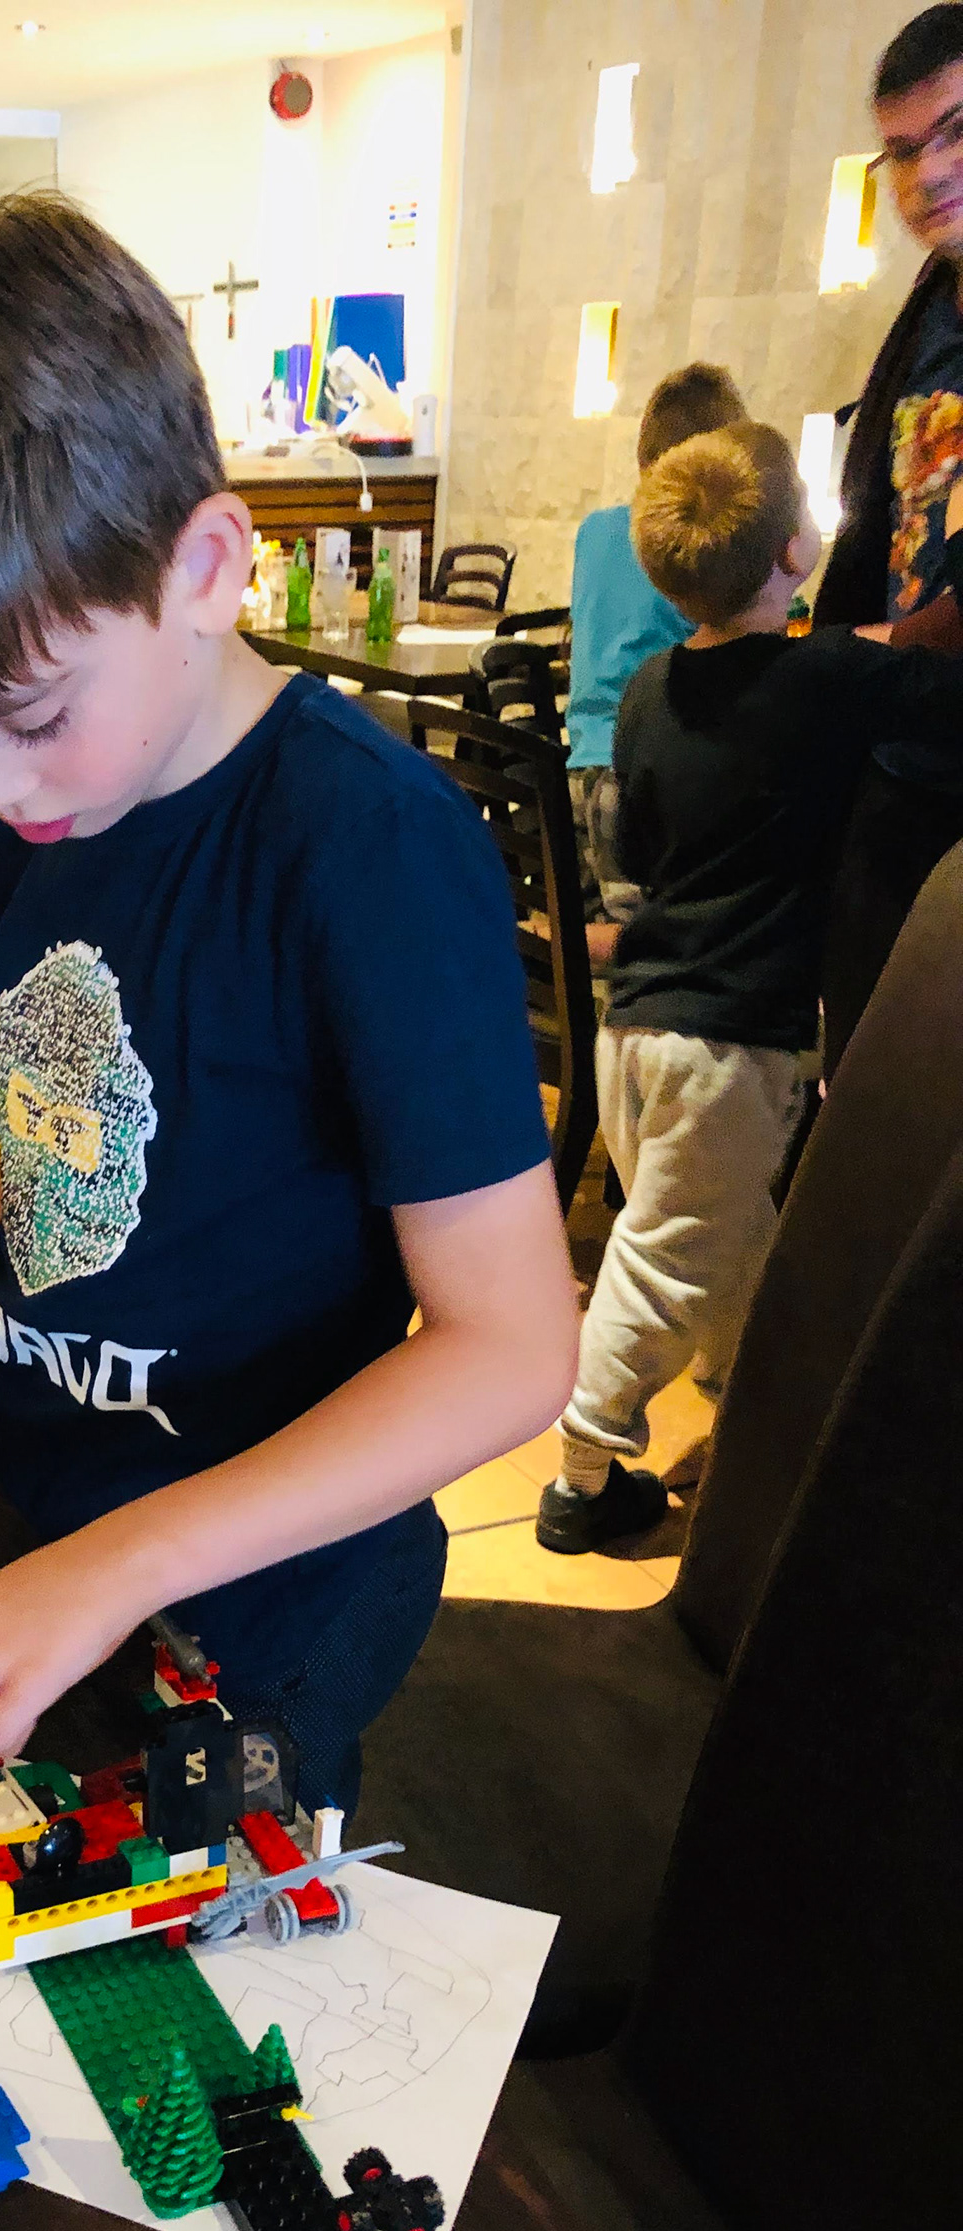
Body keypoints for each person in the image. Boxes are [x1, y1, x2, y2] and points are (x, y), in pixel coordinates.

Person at [0, 193, 581, 1800]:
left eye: (33, 715)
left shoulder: (373, 852)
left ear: (206, 565)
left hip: (266, 1595)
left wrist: (119, 1566)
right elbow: (65, 1160)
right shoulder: (62, 802)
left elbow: (515, 1349)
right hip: (53, 1518)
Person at [541, 421, 963, 1554]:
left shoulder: (646, 694)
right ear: (794, 551)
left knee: (731, 1242)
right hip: (729, 1046)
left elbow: (637, 846)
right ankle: (581, 1472)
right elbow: (938, 690)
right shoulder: (825, 678)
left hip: (635, 1032)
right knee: (662, 1260)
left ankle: (750, 1402)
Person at [815, 5, 963, 1067]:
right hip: (906, 757)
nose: (929, 172)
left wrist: (849, 659)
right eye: (903, 151)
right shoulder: (929, 311)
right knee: (866, 1077)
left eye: (956, 132)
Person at [567, 364, 747, 952]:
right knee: (648, 942)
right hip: (640, 773)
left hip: (578, 763)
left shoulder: (595, 531)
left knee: (607, 931)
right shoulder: (687, 551)